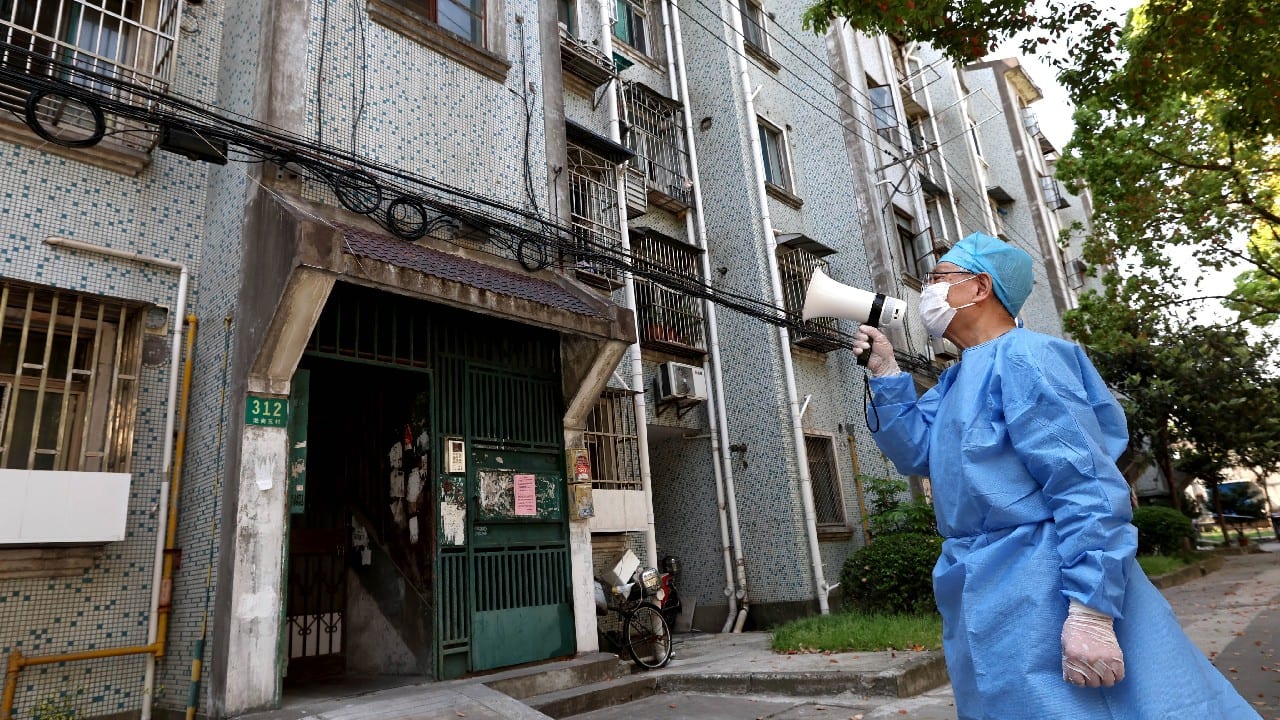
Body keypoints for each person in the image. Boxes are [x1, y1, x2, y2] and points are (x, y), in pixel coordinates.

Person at [854, 232, 1259, 719]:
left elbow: (1084, 484)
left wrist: (1091, 610)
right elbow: (918, 452)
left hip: (1043, 579)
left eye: (939, 278)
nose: (928, 292)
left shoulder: (1028, 358)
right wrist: (886, 371)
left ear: (981, 287)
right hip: (981, 583)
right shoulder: (961, 376)